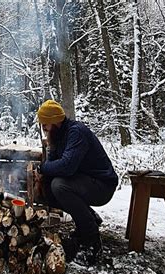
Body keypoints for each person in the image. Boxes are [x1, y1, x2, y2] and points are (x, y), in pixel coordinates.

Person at [35, 100, 118, 265]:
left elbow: (67, 167)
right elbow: (53, 163)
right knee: (49, 189)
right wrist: (42, 177)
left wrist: (43, 168)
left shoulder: (76, 132)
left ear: (56, 121)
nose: (43, 127)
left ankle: (91, 241)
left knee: (59, 186)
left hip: (102, 185)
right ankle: (89, 218)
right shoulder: (56, 136)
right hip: (85, 182)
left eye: (46, 124)